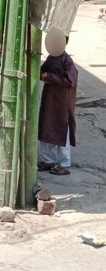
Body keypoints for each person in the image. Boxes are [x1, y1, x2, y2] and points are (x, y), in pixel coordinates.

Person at [38, 26, 78, 176]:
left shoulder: (67, 61)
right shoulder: (51, 58)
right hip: (50, 100)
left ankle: (64, 163)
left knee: (62, 131)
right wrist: (43, 74)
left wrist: (48, 77)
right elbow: (41, 71)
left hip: (62, 103)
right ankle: (47, 160)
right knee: (46, 128)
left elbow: (69, 82)